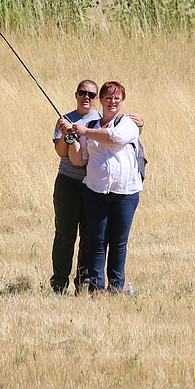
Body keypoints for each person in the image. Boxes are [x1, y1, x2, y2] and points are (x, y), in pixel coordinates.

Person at [53, 81, 144, 295]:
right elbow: (77, 159)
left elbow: (116, 138)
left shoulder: (126, 123)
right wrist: (71, 137)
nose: (112, 101)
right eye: (108, 98)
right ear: (101, 101)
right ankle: (92, 287)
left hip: (124, 192)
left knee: (117, 242)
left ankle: (114, 287)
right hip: (94, 190)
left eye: (117, 98)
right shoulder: (87, 125)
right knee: (95, 241)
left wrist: (82, 131)